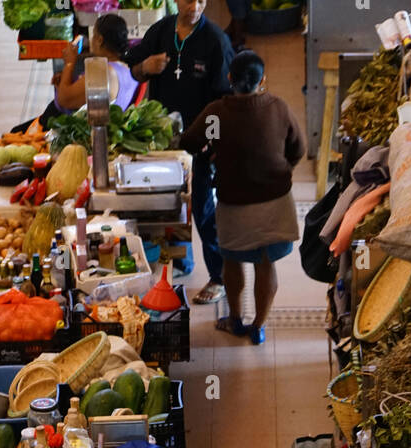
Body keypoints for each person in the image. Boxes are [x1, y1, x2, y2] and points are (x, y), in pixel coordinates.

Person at [182, 50, 305, 345]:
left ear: (229, 79)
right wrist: (278, 166)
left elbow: (192, 141)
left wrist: (212, 149)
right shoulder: (278, 107)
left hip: (233, 203)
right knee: (266, 263)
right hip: (274, 201)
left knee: (232, 261)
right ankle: (258, 327)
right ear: (262, 79)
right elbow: (297, 149)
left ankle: (235, 321)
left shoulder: (216, 112)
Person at [130, 0, 233, 305]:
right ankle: (182, 261)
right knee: (165, 204)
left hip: (198, 143)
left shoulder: (215, 41)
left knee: (202, 209)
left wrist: (212, 146)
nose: (195, 6)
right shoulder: (160, 32)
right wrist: (144, 68)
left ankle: (219, 277)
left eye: (201, 0)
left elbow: (223, 99)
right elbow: (132, 68)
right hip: (161, 141)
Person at [52, 15, 138, 114]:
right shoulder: (126, 69)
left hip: (70, 123)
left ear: (100, 40)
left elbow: (64, 100)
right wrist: (64, 81)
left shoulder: (105, 72)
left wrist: (69, 63)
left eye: (93, 35)